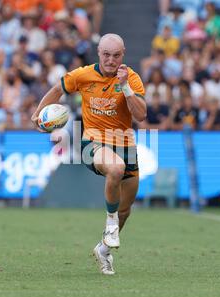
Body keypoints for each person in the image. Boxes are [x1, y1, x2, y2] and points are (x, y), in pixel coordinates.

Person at [30, 33, 146, 275]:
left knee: (126, 209)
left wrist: (125, 87)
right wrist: (38, 114)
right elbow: (56, 90)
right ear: (98, 53)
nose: (111, 60)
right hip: (91, 141)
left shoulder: (131, 78)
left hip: (125, 143)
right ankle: (110, 224)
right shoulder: (82, 75)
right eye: (106, 54)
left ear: (122, 54)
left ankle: (104, 249)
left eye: (116, 55)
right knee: (115, 168)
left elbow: (141, 115)